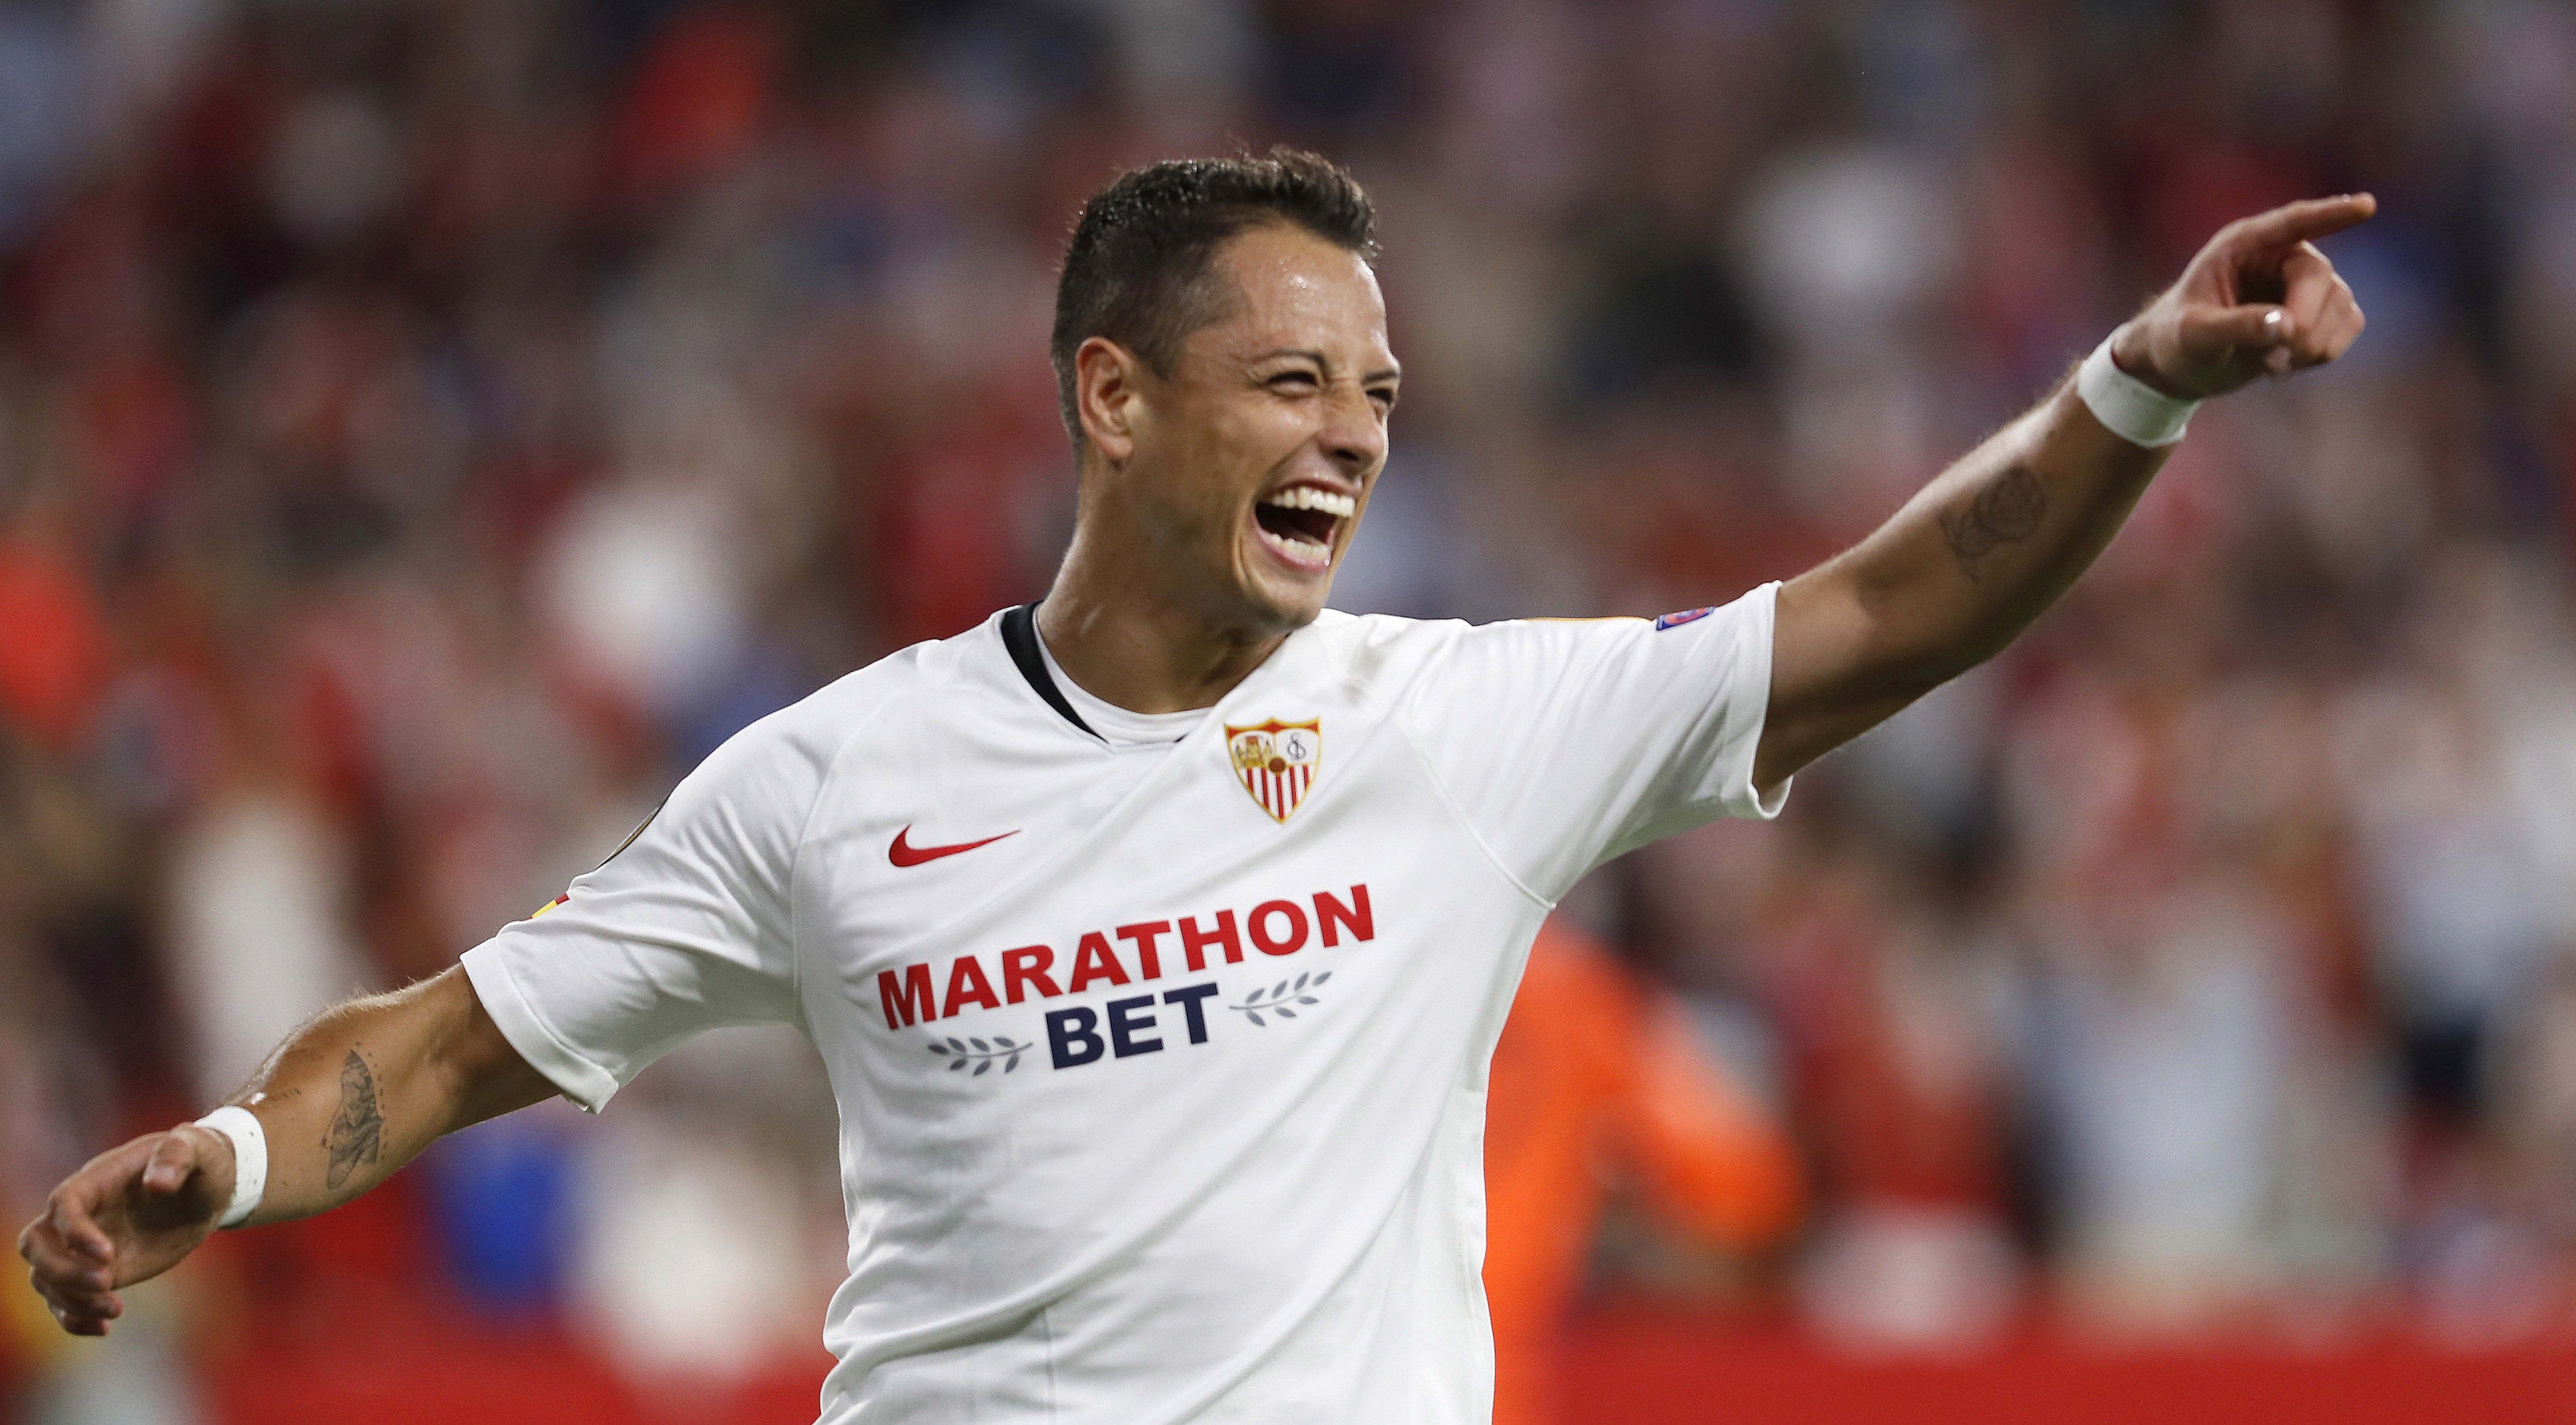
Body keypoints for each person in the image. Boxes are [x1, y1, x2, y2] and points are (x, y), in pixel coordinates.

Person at [19, 150, 2368, 1422]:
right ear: (1113, 399)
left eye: (1375, 380)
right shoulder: (835, 780)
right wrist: (227, 1157)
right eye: (1284, 377)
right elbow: (440, 1041)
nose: (1352, 425)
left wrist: (2138, 387)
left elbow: (1881, 608)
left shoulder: (1459, 726)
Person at [1482, 918, 1801, 1425]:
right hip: (1485, 1352)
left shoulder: (1341, 958)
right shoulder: (1570, 987)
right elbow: (1745, 1183)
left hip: (1339, 1339)